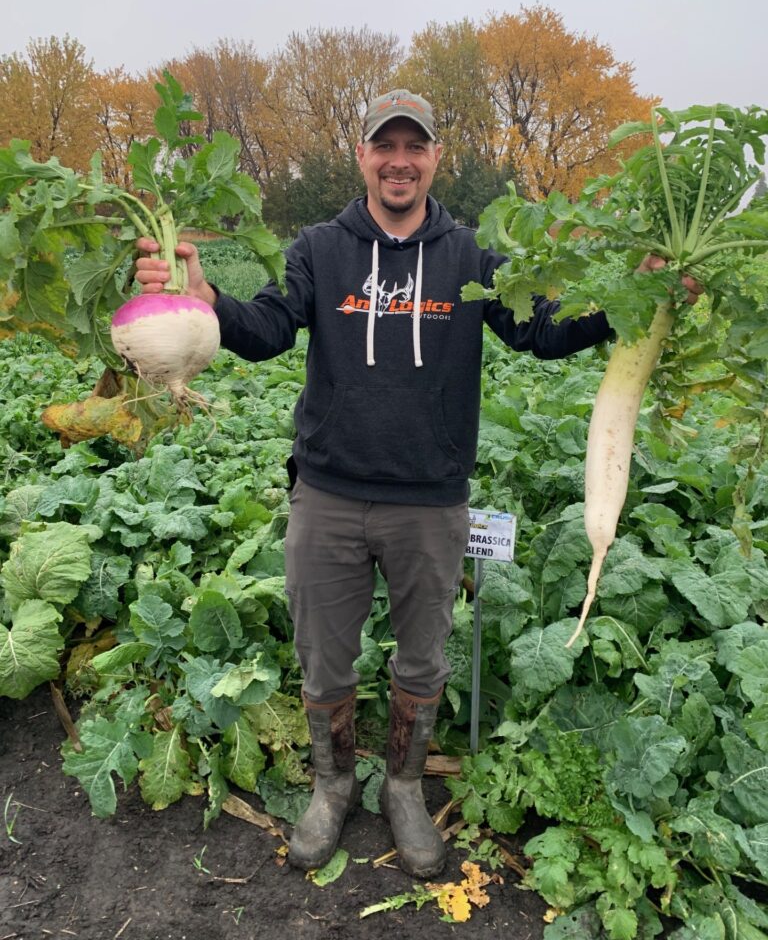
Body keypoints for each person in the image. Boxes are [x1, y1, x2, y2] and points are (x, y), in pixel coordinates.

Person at [134, 88, 702, 879]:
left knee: (422, 661)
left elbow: (540, 329)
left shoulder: (471, 256)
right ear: (363, 156)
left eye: (416, 147)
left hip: (430, 501)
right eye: (384, 146)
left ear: (436, 158)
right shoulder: (321, 248)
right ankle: (334, 788)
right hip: (328, 494)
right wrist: (208, 304)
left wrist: (625, 305)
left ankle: (402, 786)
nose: (400, 161)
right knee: (325, 661)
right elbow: (268, 330)